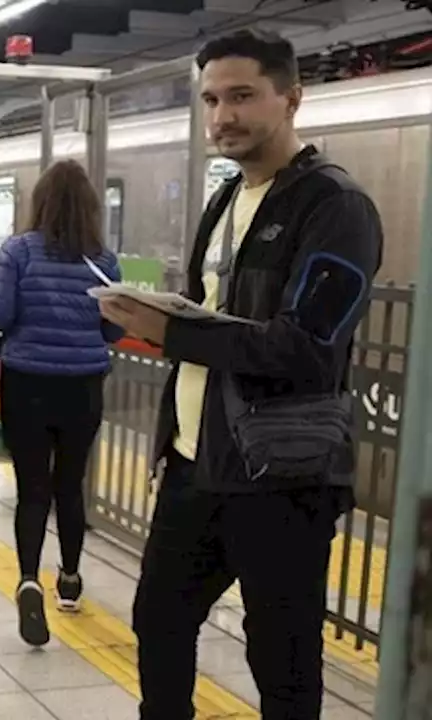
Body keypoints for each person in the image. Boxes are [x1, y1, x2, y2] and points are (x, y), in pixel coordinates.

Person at [98, 29, 382, 719]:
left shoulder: (335, 207)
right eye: (211, 99)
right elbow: (215, 319)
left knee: (280, 659)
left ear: (291, 99)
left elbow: (306, 347)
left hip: (281, 478)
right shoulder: (226, 202)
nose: (222, 116)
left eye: (243, 97)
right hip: (197, 464)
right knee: (159, 624)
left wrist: (173, 331)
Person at [0, 159, 123, 647]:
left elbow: (0, 317)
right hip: (83, 386)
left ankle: (27, 580)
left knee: (32, 489)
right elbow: (114, 329)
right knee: (70, 484)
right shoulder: (104, 261)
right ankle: (68, 580)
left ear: (39, 203)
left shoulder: (17, 251)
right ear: (89, 207)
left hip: (26, 383)